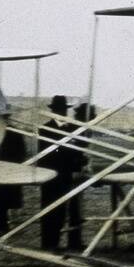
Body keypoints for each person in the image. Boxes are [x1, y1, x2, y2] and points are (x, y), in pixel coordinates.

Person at [38, 95, 86, 251]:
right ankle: (49, 243)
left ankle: (73, 243)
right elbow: (45, 156)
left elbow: (79, 153)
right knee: (51, 211)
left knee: (70, 211)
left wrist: (78, 166)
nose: (62, 113)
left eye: (63, 110)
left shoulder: (74, 129)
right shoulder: (44, 130)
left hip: (68, 176)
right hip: (51, 176)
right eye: (59, 110)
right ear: (53, 111)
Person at [0, 126, 29, 237]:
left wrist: (17, 166)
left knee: (10, 198)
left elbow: (21, 151)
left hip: (11, 169)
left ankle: (5, 225)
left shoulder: (15, 132)